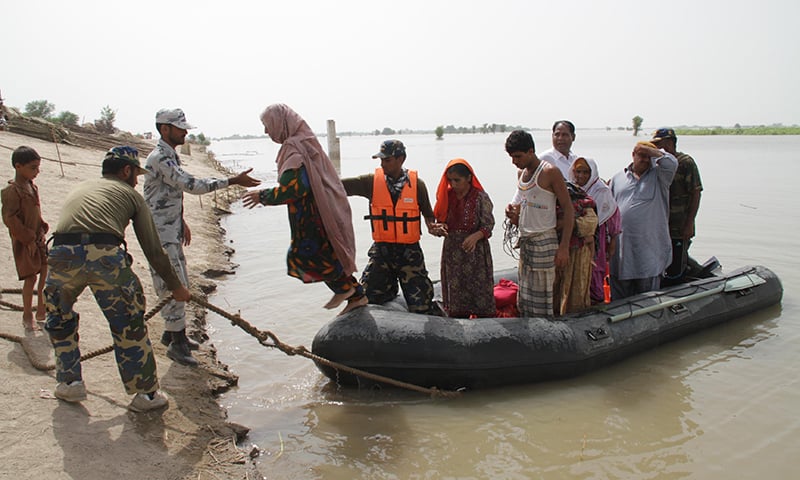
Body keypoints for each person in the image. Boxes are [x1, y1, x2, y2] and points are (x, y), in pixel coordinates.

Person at [44, 146, 191, 412]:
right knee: (128, 324)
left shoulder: (81, 188)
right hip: (105, 257)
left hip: (62, 254)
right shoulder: (131, 196)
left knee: (60, 319)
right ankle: (145, 395)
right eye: (136, 174)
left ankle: (70, 382)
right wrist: (177, 287)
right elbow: (154, 251)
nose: (137, 180)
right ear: (126, 171)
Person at [144, 108, 261, 366]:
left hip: (169, 228)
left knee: (178, 280)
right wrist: (232, 180)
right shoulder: (160, 157)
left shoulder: (169, 155)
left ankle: (174, 334)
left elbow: (168, 193)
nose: (185, 132)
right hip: (161, 233)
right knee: (173, 284)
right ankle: (177, 343)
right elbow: (191, 185)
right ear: (165, 129)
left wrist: (181, 220)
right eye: (180, 128)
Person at [241, 104, 367, 315]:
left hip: (313, 217)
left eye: (267, 125)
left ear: (279, 123)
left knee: (313, 257)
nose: (265, 131)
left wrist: (262, 196)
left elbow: (296, 188)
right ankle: (353, 294)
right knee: (329, 255)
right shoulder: (306, 142)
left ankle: (350, 292)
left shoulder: (294, 147)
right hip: (318, 212)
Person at [341, 139, 439, 315]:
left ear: (401, 159)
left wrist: (432, 227)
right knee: (366, 297)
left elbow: (428, 215)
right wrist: (316, 179)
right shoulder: (371, 182)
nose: (383, 164)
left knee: (422, 306)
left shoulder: (417, 185)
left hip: (409, 253)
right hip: (382, 252)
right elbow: (342, 186)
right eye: (381, 160)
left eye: (387, 160)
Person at [504, 130, 574, 317]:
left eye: (518, 156)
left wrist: (564, 248)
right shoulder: (521, 174)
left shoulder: (549, 172)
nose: (514, 161)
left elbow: (568, 209)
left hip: (545, 241)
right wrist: (511, 212)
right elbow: (518, 202)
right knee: (526, 296)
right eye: (511, 157)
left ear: (531, 151)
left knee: (544, 295)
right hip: (526, 242)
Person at [608, 141, 677, 299]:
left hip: (649, 252)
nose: (645, 160)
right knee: (619, 302)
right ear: (633, 155)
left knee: (649, 301)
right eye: (641, 155)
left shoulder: (661, 177)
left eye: (649, 157)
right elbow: (609, 211)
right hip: (622, 251)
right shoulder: (617, 178)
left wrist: (649, 150)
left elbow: (671, 162)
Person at [432, 158, 495, 318]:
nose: (453, 184)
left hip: (476, 254)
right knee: (456, 295)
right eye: (450, 180)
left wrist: (476, 236)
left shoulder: (481, 197)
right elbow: (440, 222)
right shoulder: (447, 197)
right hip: (453, 254)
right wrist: (440, 229)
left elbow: (488, 225)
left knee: (479, 293)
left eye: (457, 180)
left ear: (468, 178)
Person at [1, 146, 49, 330]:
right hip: (25, 240)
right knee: (30, 278)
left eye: (38, 167)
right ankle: (27, 314)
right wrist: (27, 239)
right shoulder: (11, 191)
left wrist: (42, 230)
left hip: (38, 237)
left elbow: (36, 212)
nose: (37, 172)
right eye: (33, 168)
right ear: (18, 166)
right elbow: (10, 219)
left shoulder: (32, 186)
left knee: (45, 270)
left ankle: (41, 308)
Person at [651, 128, 703, 284]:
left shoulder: (685, 163)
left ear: (669, 142)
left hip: (679, 225)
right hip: (661, 225)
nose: (657, 148)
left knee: (677, 262)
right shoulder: (656, 165)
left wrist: (689, 224)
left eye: (659, 144)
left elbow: (696, 193)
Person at [569, 157, 621, 304]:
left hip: (598, 238)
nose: (581, 176)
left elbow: (613, 218)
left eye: (585, 172)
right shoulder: (571, 190)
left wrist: (613, 242)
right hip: (577, 238)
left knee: (595, 271)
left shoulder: (601, 190)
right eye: (578, 171)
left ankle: (596, 301)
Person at [552, 170, 598, 315]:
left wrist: (564, 225)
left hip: (578, 252)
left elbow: (590, 225)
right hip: (554, 251)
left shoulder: (584, 202)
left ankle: (575, 315)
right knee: (555, 288)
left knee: (576, 288)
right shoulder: (548, 201)